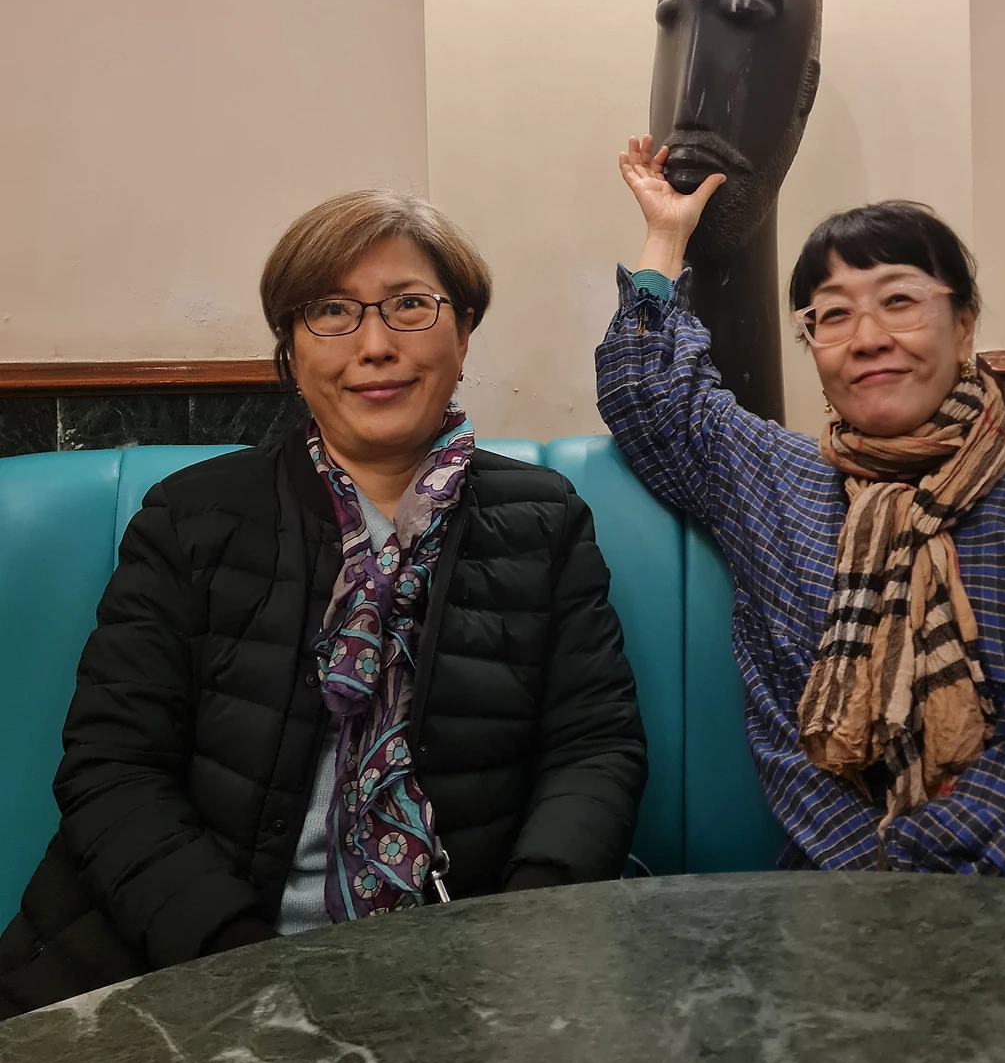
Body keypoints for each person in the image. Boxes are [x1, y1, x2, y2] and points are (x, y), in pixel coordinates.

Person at [0, 190, 647, 1017]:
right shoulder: (191, 517)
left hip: (464, 972)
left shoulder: (543, 519)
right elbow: (113, 770)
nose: (375, 345)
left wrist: (525, 935)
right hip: (183, 967)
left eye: (410, 305)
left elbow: (594, 748)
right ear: (292, 351)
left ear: (463, 333)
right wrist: (242, 972)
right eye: (331, 311)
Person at [596, 134, 1005, 904]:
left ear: (964, 324)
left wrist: (915, 896)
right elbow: (648, 394)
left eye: (900, 302)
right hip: (852, 907)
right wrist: (666, 234)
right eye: (832, 315)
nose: (868, 339)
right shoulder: (780, 483)